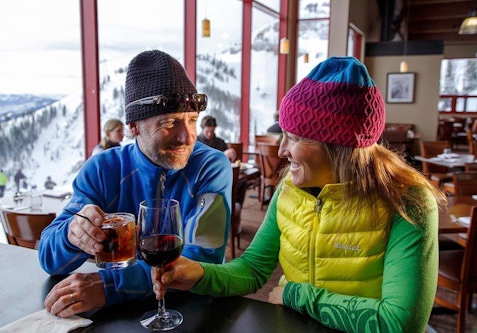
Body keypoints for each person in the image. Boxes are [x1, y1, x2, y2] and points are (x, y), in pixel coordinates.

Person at [151, 57, 447, 332]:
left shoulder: (407, 201)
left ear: (336, 145)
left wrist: (297, 295)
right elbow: (253, 268)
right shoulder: (288, 190)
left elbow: (401, 322)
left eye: (292, 137)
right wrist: (198, 275)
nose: (281, 150)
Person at [40, 50, 232, 318]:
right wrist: (74, 233)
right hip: (120, 318)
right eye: (169, 122)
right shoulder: (102, 169)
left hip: (191, 309)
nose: (187, 137)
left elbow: (203, 255)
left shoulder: (211, 166)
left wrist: (109, 287)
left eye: (192, 121)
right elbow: (49, 258)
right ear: (134, 126)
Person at [198, 115, 247, 206]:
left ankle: (235, 206)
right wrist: (222, 155)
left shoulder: (220, 142)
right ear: (202, 129)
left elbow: (229, 161)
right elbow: (200, 161)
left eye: (212, 131)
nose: (210, 134)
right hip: (205, 176)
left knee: (241, 182)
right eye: (207, 131)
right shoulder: (196, 142)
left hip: (222, 173)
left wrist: (231, 155)